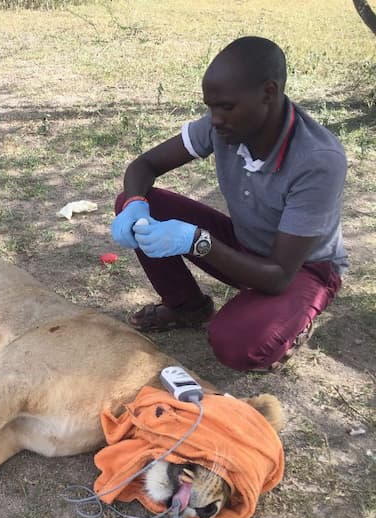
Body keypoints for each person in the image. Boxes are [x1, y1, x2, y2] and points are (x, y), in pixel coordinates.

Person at [111, 36, 348, 372]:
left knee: (237, 345)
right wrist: (134, 204)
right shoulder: (223, 127)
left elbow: (279, 275)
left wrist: (196, 241)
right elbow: (144, 166)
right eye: (211, 107)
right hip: (245, 243)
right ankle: (187, 306)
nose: (215, 118)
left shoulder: (318, 159)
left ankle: (296, 316)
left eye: (225, 107)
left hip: (301, 269)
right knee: (137, 200)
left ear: (268, 92)